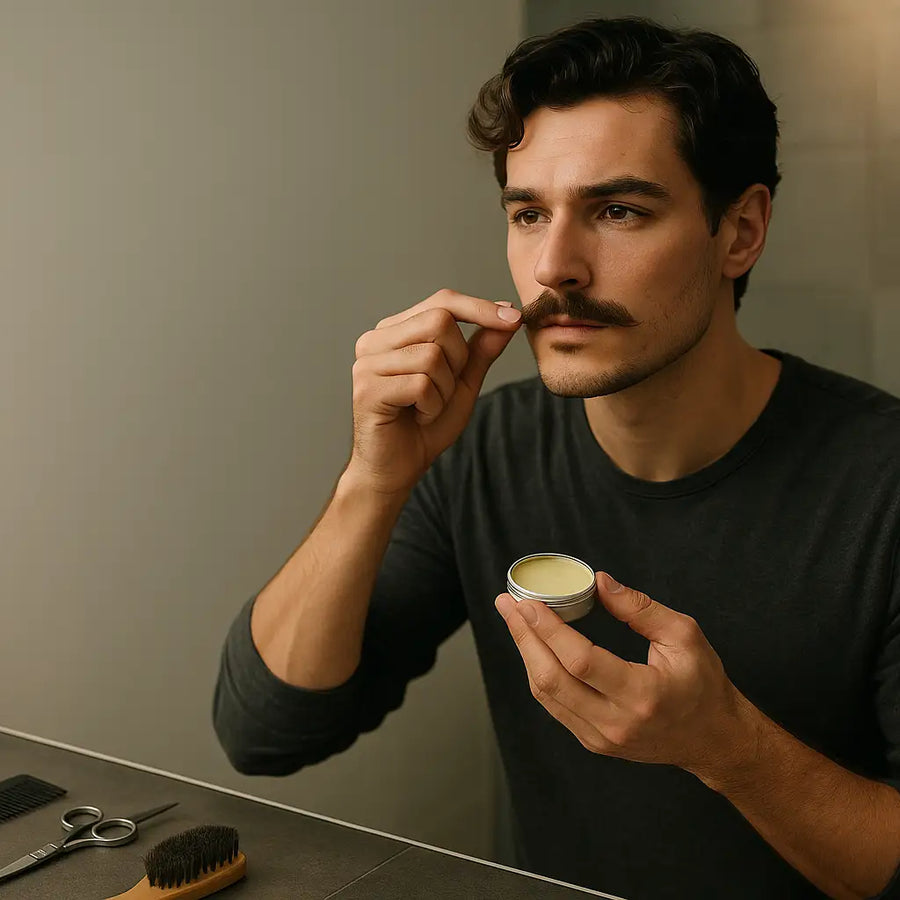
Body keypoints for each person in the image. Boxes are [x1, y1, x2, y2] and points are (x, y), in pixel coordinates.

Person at [212, 16, 900, 899]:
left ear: (740, 231)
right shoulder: (485, 448)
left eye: (618, 211)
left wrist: (727, 748)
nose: (554, 266)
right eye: (528, 212)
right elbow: (267, 731)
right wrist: (373, 480)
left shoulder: (881, 487)